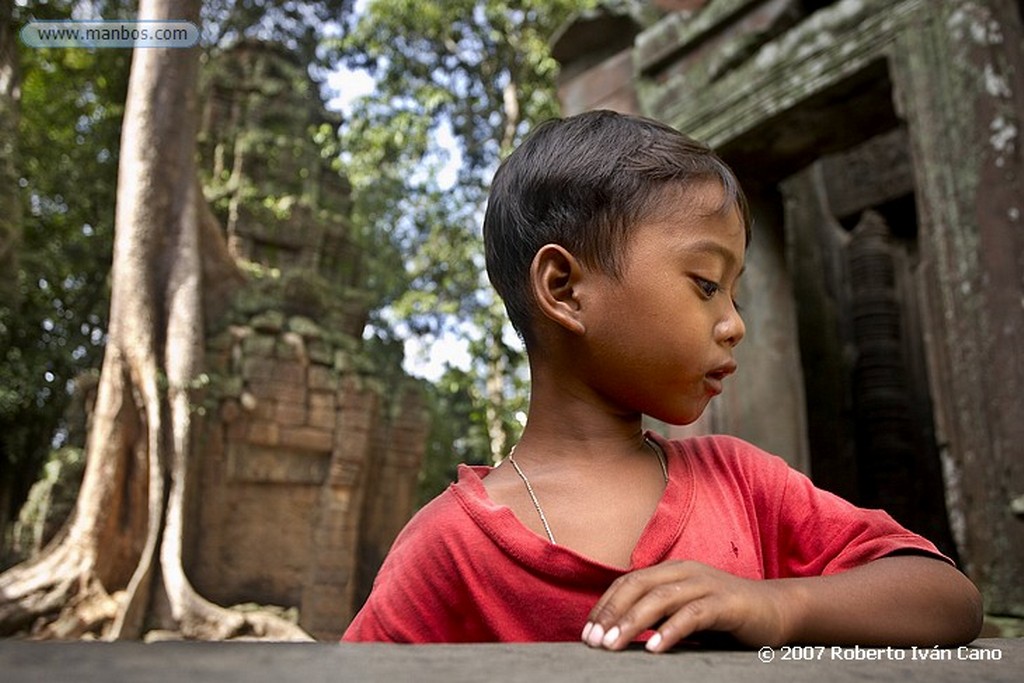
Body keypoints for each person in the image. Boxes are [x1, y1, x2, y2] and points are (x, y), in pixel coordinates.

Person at [342, 110, 983, 652]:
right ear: (564, 289)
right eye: (707, 285)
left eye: (734, 295)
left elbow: (947, 599)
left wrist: (775, 606)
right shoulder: (448, 548)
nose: (733, 325)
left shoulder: (741, 482)